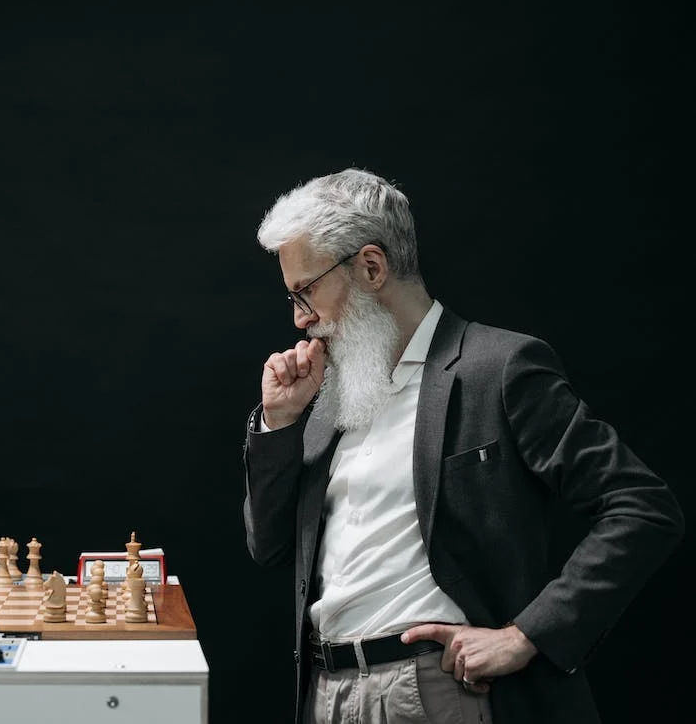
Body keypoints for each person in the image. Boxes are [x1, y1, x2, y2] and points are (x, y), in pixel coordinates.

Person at [242, 168, 684, 724]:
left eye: (306, 290)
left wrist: (526, 635)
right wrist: (280, 423)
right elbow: (271, 547)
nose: (300, 319)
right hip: (325, 692)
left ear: (372, 267)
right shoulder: (331, 394)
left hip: (435, 693)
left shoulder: (498, 368)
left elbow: (643, 508)